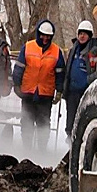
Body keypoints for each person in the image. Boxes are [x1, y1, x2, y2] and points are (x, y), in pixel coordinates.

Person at [13, 19, 65, 150]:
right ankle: (27, 149)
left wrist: (59, 90)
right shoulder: (28, 47)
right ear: (38, 34)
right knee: (27, 123)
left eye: (48, 36)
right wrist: (17, 84)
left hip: (45, 94)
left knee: (43, 124)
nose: (45, 38)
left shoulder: (57, 51)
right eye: (43, 35)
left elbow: (60, 74)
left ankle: (41, 150)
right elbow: (19, 68)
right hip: (28, 92)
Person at [63, 20, 97, 138]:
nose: (82, 36)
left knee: (82, 124)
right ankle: (70, 145)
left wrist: (87, 82)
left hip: (85, 93)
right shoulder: (73, 49)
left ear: (89, 35)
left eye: (85, 33)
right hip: (72, 93)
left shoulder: (94, 50)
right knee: (70, 124)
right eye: (80, 33)